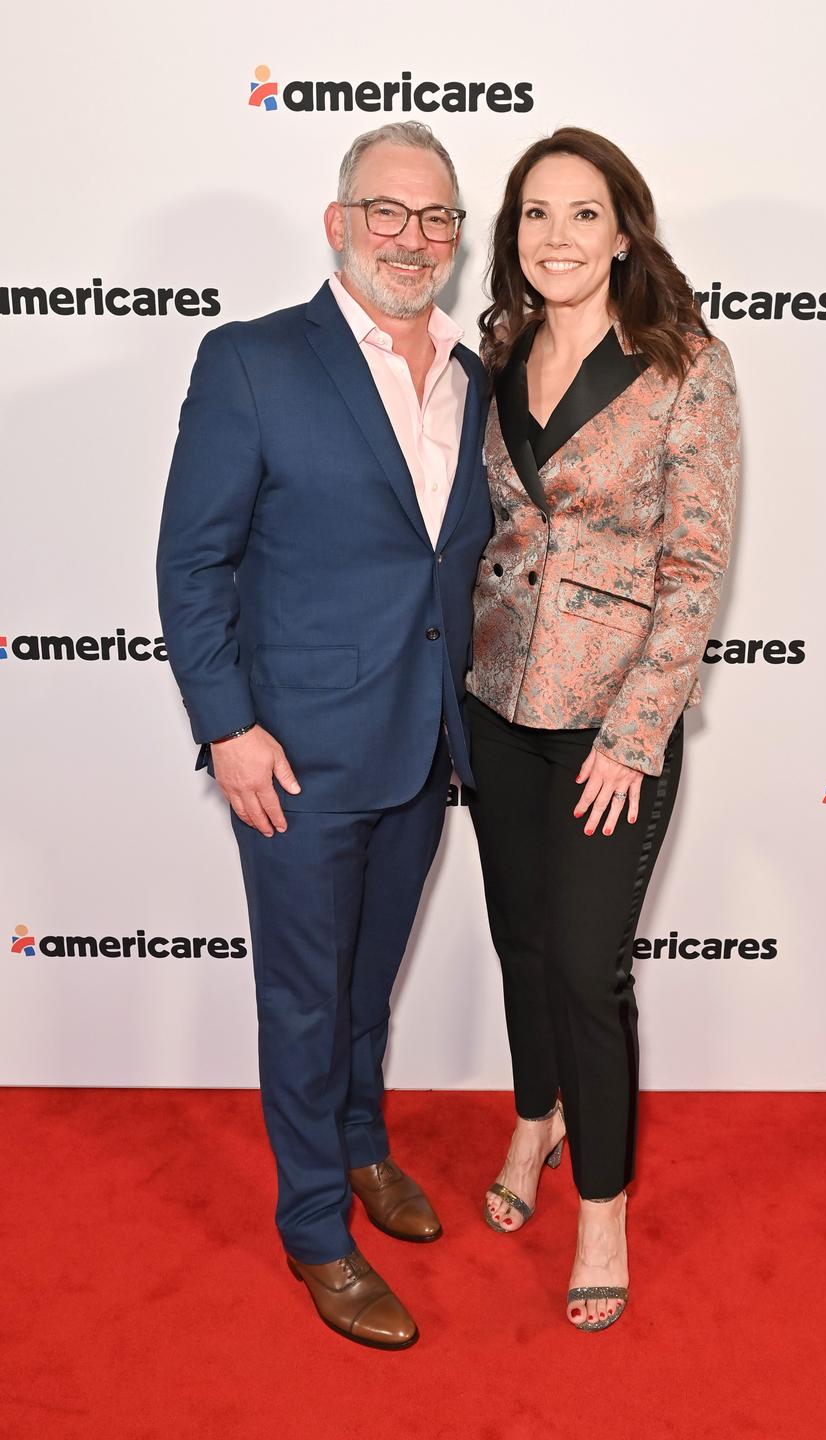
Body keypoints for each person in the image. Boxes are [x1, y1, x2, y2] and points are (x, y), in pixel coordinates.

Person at [157, 122, 491, 1350]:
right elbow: (192, 562)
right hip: (292, 750)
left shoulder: (472, 369)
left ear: (458, 237)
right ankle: (313, 1231)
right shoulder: (251, 361)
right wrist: (228, 726)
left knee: (364, 987)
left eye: (438, 218)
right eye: (388, 212)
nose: (414, 238)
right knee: (305, 999)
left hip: (425, 741)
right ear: (340, 220)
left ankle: (358, 1148)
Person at [466, 127, 740, 1332]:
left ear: (623, 232)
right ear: (512, 235)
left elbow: (695, 565)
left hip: (608, 724)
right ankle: (536, 1117)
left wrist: (635, 735)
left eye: (583, 215)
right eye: (535, 214)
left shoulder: (685, 362)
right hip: (495, 702)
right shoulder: (495, 348)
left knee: (587, 970)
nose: (557, 238)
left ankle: (603, 1207)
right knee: (521, 947)